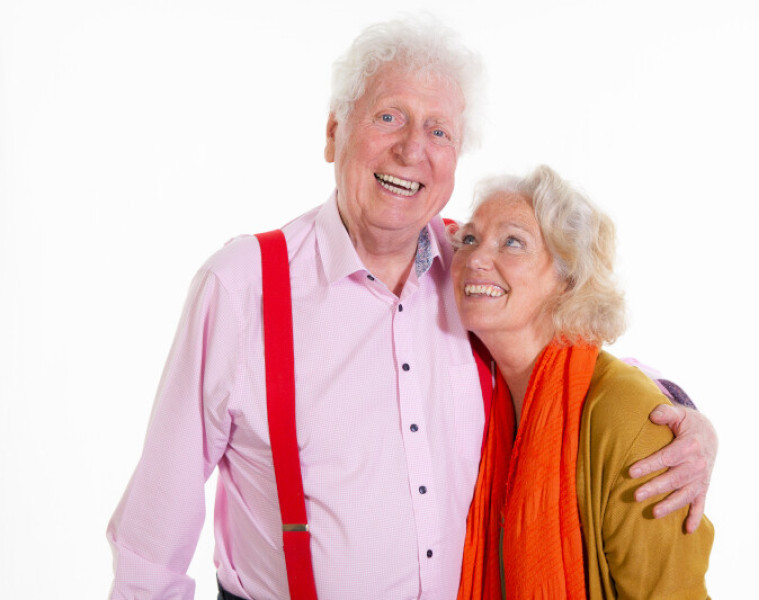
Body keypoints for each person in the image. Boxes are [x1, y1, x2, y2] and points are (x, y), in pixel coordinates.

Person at [107, 17, 717, 600]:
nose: (411, 150)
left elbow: (559, 361)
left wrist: (675, 414)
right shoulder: (243, 286)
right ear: (332, 133)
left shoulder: (470, 273)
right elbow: (150, 546)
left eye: (439, 131)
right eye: (389, 116)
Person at [453, 165, 714, 599]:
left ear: (567, 278)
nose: (476, 258)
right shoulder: (489, 394)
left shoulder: (629, 419)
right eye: (469, 239)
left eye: (512, 242)